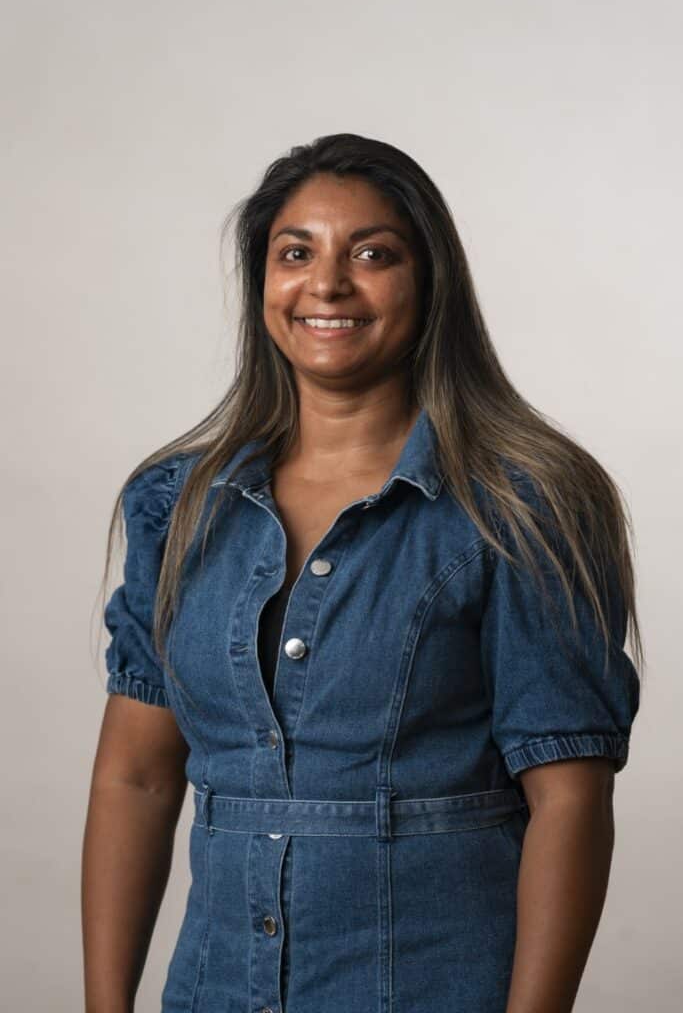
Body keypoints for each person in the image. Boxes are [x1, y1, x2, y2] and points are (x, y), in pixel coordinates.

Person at [82, 133, 643, 1013]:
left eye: (372, 254)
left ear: (430, 282)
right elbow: (138, 778)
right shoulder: (178, 503)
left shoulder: (520, 503)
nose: (327, 284)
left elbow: (568, 800)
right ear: (261, 282)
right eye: (294, 253)